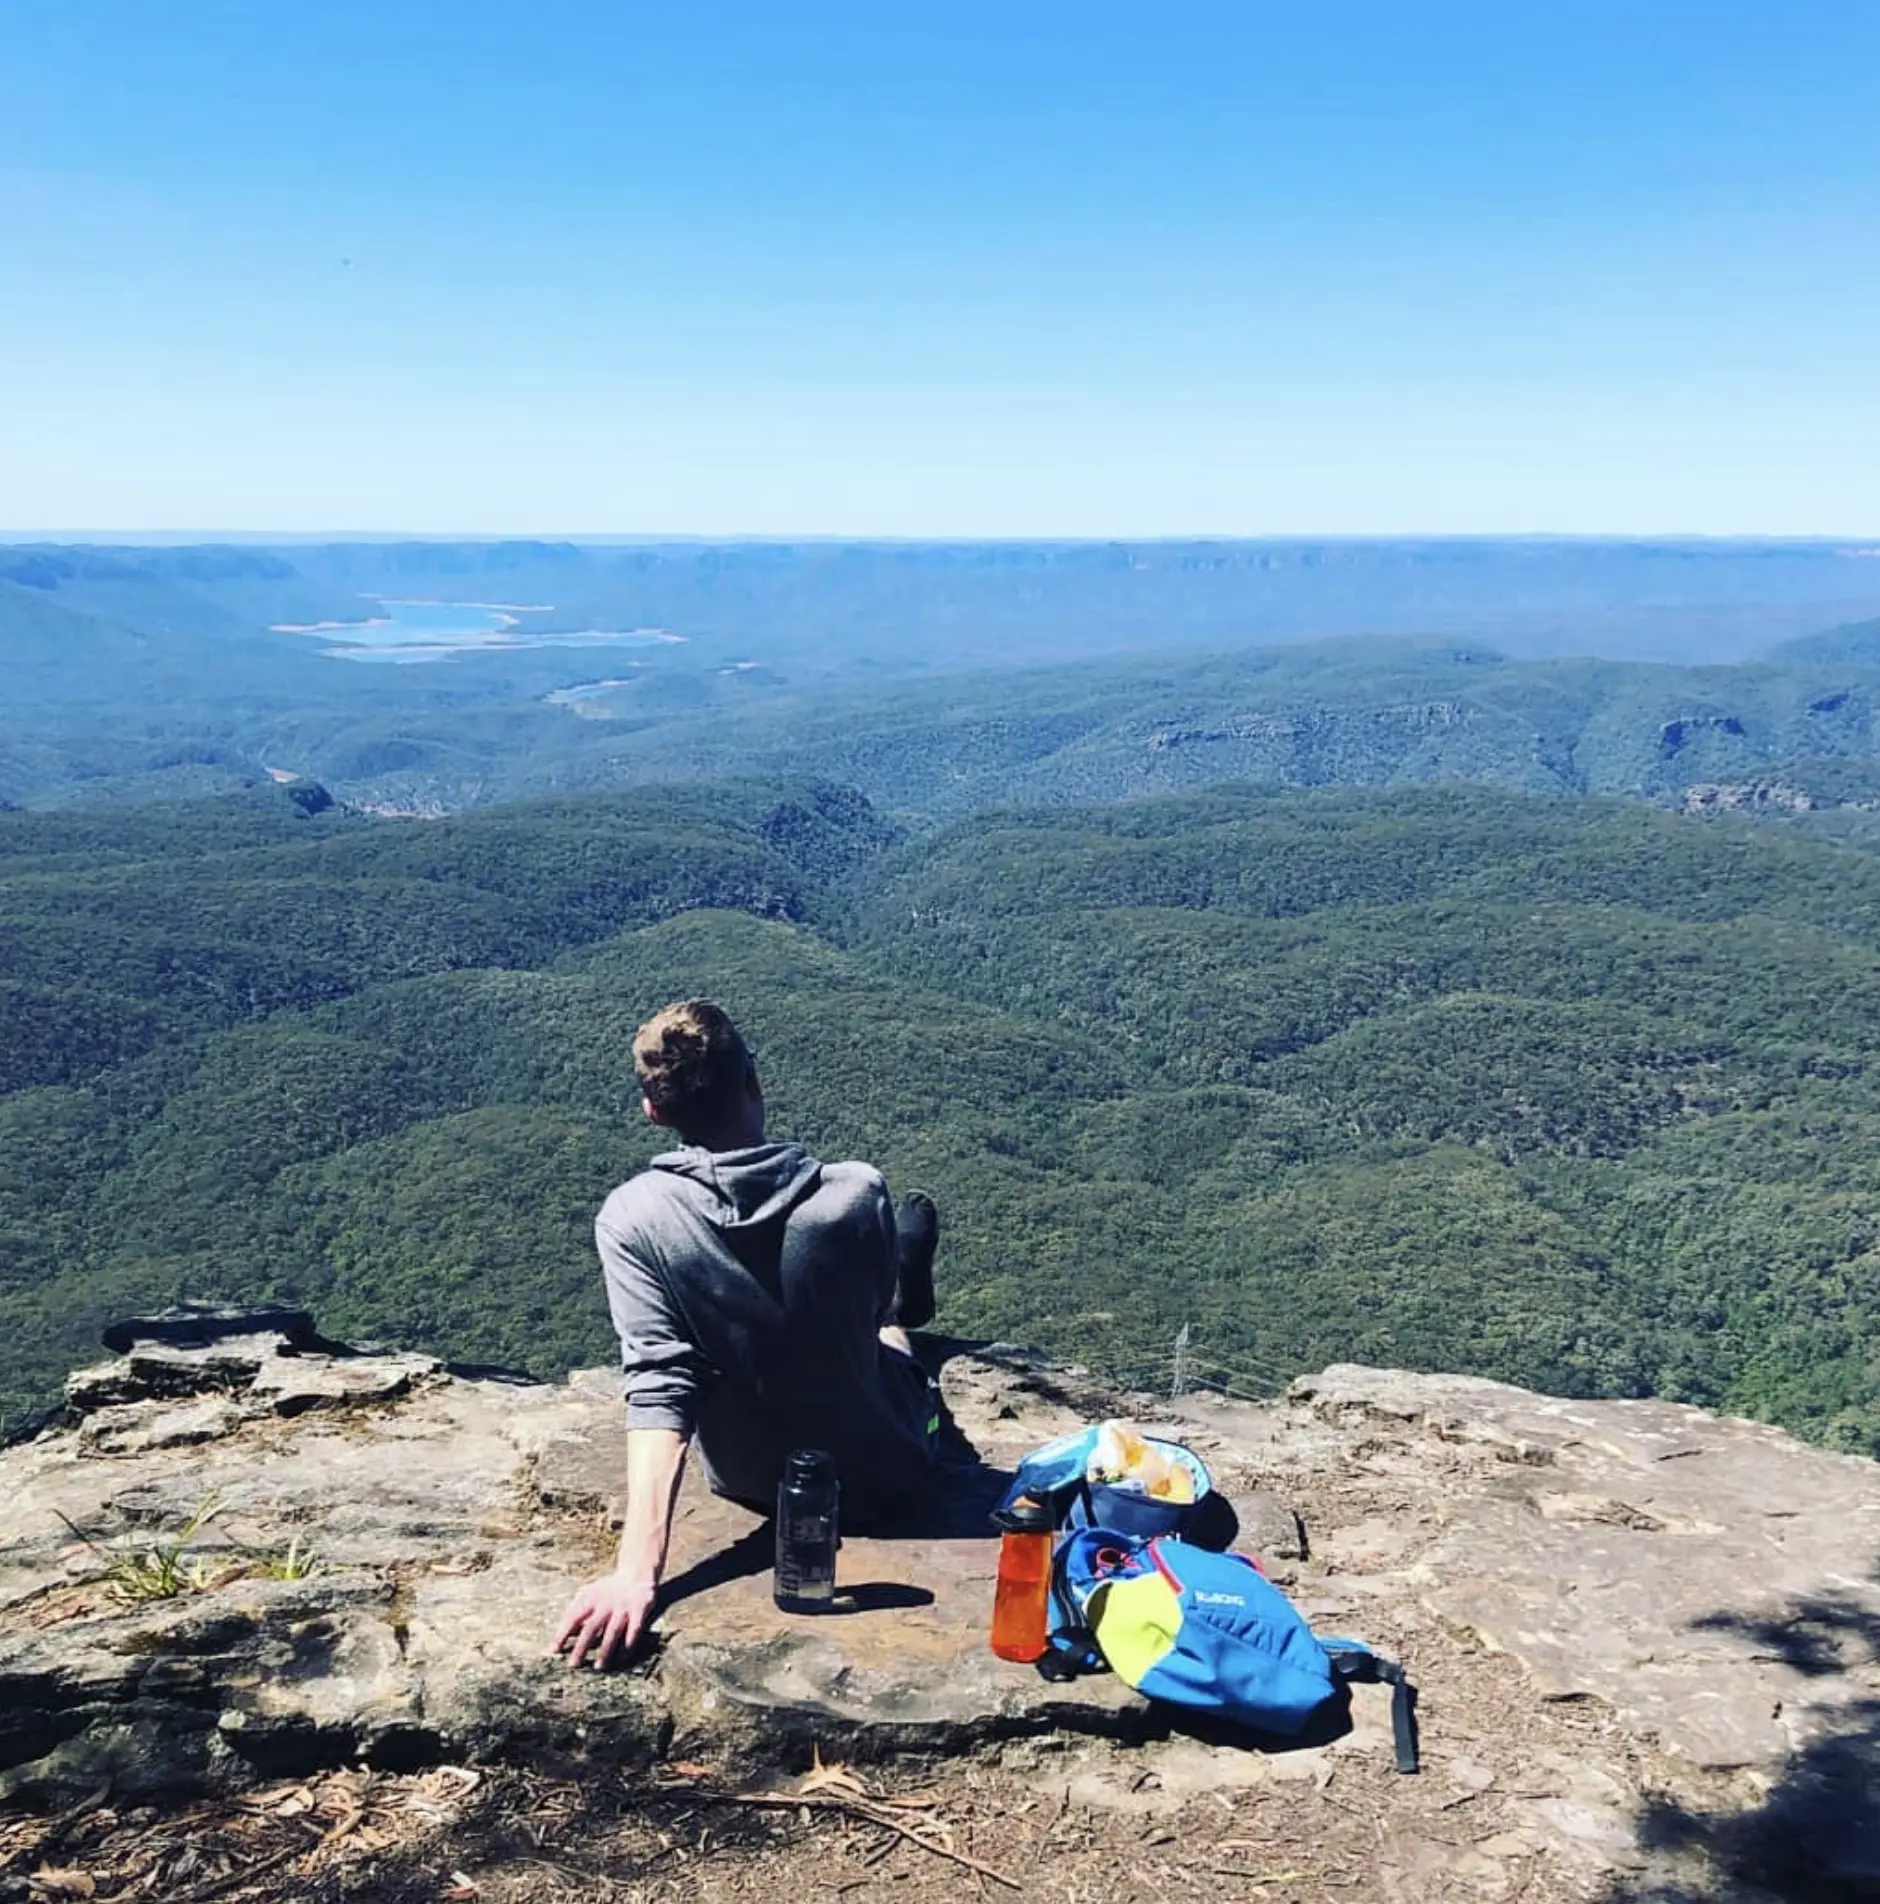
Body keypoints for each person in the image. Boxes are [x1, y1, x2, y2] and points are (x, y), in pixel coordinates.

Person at [552, 998, 940, 1670]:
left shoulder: (633, 1218)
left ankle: (902, 1283)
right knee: (887, 1336)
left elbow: (659, 1382)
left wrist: (636, 1574)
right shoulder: (855, 1192)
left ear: (655, 1112)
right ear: (754, 1081)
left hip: (747, 1479)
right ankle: (910, 1285)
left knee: (863, 1327)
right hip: (894, 1471)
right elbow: (863, 1308)